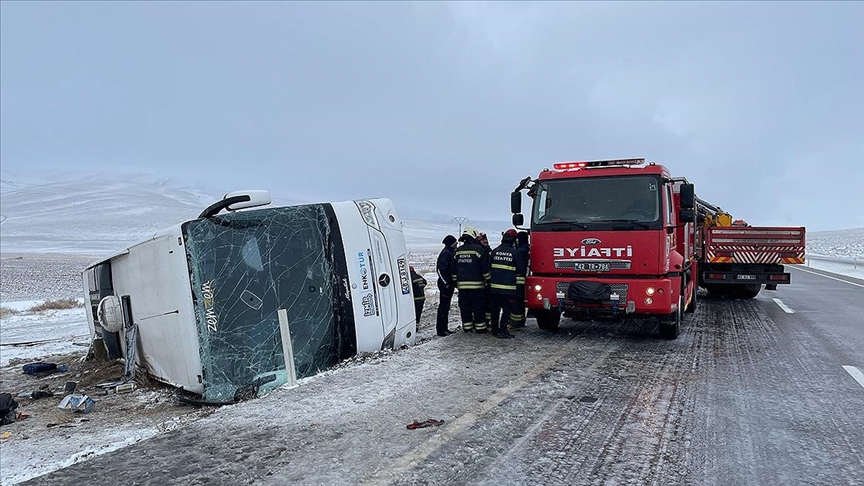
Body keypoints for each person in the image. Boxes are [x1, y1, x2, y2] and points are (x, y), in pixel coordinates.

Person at [452, 226, 490, 333]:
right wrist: (488, 280)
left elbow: (453, 269)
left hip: (462, 287)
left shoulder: (458, 251)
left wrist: (456, 282)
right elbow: (484, 268)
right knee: (478, 307)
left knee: (465, 308)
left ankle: (467, 328)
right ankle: (480, 328)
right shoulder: (478, 250)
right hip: (477, 286)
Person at [489, 230, 522, 339]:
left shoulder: (494, 251)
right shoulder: (515, 253)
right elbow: (521, 269)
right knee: (506, 310)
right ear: (513, 240)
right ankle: (503, 330)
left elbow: (487, 268)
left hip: (494, 288)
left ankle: (494, 330)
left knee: (495, 309)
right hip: (508, 289)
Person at [435, 235, 458, 337]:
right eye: (455, 242)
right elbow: (441, 270)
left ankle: (445, 328)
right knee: (443, 307)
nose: (456, 244)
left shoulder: (450, 252)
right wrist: (447, 283)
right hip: (445, 284)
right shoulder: (446, 253)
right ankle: (441, 329)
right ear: (451, 243)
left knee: (446, 307)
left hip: (448, 283)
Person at [509, 230, 530, 330]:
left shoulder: (520, 251)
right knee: (520, 301)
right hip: (525, 279)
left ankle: (516, 322)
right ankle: (521, 320)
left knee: (516, 302)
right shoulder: (527, 249)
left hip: (517, 280)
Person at [476, 232, 493, 327]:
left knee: (488, 304)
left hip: (488, 282)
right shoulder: (480, 252)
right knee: (481, 304)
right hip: (481, 282)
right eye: (482, 240)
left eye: (485, 239)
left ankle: (487, 321)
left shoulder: (489, 250)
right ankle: (482, 322)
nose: (485, 241)